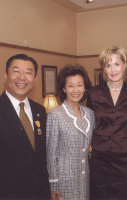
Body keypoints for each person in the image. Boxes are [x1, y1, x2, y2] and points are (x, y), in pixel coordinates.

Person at [0, 54, 51, 199]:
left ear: (35, 79)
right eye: (16, 71)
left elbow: (40, 157)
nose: (22, 77)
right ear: (6, 75)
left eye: (28, 72)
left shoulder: (40, 111)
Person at [87, 46, 127, 200]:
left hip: (125, 157)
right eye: (108, 65)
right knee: (99, 195)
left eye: (116, 64)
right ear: (104, 68)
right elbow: (90, 121)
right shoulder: (95, 93)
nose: (113, 69)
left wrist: (126, 132)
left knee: (123, 195)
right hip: (99, 156)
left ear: (124, 65)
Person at [46, 64, 95, 200]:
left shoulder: (90, 114)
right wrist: (53, 185)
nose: (75, 90)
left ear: (85, 88)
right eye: (70, 86)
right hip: (64, 180)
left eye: (79, 85)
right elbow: (51, 154)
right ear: (64, 88)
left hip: (84, 177)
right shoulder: (55, 115)